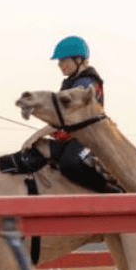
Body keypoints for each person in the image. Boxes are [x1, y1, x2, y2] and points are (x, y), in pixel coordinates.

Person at [47, 35, 118, 192]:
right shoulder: (68, 82)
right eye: (59, 61)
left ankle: (109, 190)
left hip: (89, 136)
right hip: (73, 137)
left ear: (79, 59)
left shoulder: (87, 82)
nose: (60, 64)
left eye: (63, 60)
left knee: (69, 163)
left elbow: (71, 112)